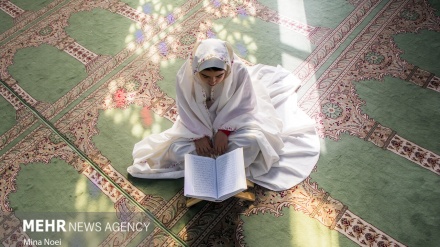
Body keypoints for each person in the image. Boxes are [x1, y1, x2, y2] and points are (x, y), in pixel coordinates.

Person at [127, 39, 320, 191]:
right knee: (178, 150)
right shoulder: (185, 76)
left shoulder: (239, 72)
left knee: (254, 141)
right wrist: (199, 137)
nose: (213, 82)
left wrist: (225, 131)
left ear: (227, 68)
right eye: (206, 76)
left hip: (235, 122)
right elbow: (186, 110)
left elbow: (244, 106)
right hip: (196, 126)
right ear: (196, 69)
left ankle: (218, 166)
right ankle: (224, 164)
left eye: (219, 76)